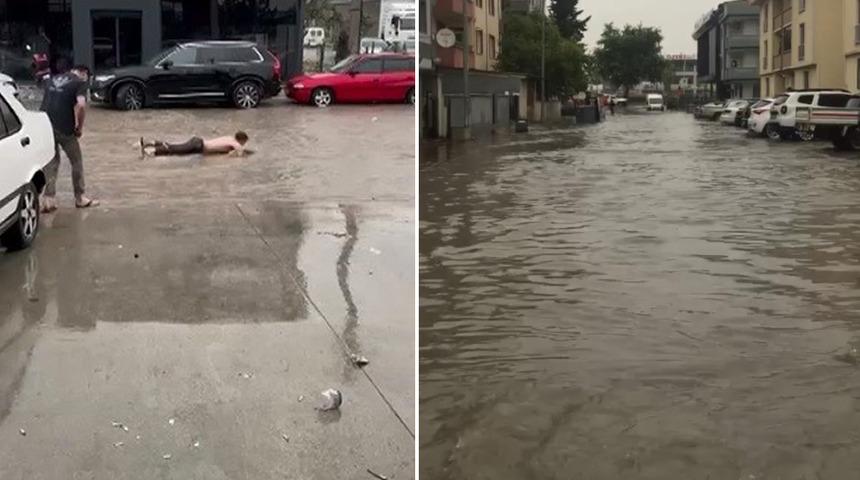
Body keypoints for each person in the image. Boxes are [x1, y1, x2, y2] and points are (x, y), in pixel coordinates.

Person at [41, 64, 99, 212]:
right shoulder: (80, 83)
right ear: (84, 73)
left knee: (51, 162)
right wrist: (79, 128)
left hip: (44, 125)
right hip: (65, 129)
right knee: (76, 161)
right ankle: (80, 198)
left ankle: (49, 199)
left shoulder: (53, 79)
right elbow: (81, 106)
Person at [139, 132, 250, 157]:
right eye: (245, 142)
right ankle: (149, 151)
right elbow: (239, 153)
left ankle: (150, 143)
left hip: (198, 142)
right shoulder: (235, 143)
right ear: (242, 140)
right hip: (199, 146)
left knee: (175, 147)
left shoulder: (229, 137)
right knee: (175, 150)